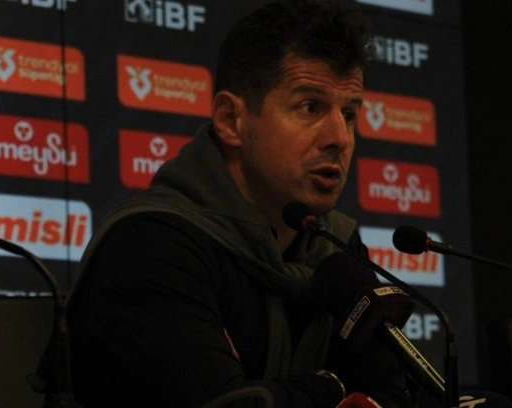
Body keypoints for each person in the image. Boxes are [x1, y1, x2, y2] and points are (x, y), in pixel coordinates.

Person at [42, 1, 416, 406]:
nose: (339, 138)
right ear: (230, 120)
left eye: (349, 114)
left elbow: (395, 397)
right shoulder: (151, 245)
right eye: (310, 107)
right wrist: (334, 386)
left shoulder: (336, 249)